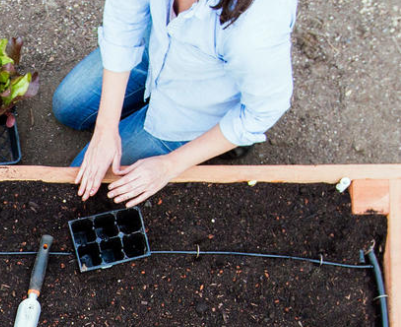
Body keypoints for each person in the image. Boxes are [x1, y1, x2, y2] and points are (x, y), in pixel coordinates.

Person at [53, 0, 297, 206]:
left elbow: (263, 110)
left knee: (85, 183)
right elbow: (123, 19)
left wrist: (169, 166)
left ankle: (223, 142)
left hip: (194, 106)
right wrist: (106, 128)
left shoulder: (255, 27)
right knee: (67, 107)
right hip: (158, 44)